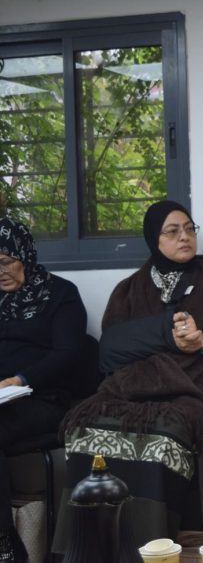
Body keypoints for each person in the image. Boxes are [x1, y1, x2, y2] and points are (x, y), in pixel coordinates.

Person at [56, 200, 203, 548]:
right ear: (154, 239)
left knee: (165, 433)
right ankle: (91, 546)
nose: (184, 237)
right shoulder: (130, 289)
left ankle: (154, 545)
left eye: (189, 229)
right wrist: (166, 333)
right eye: (172, 231)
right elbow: (110, 351)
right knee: (86, 428)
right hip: (136, 388)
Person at [0, 218, 88, 561]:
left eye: (7, 261)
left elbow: (69, 353)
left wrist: (20, 380)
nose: (1, 272)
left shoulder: (59, 294)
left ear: (25, 255)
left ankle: (5, 544)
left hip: (43, 398)